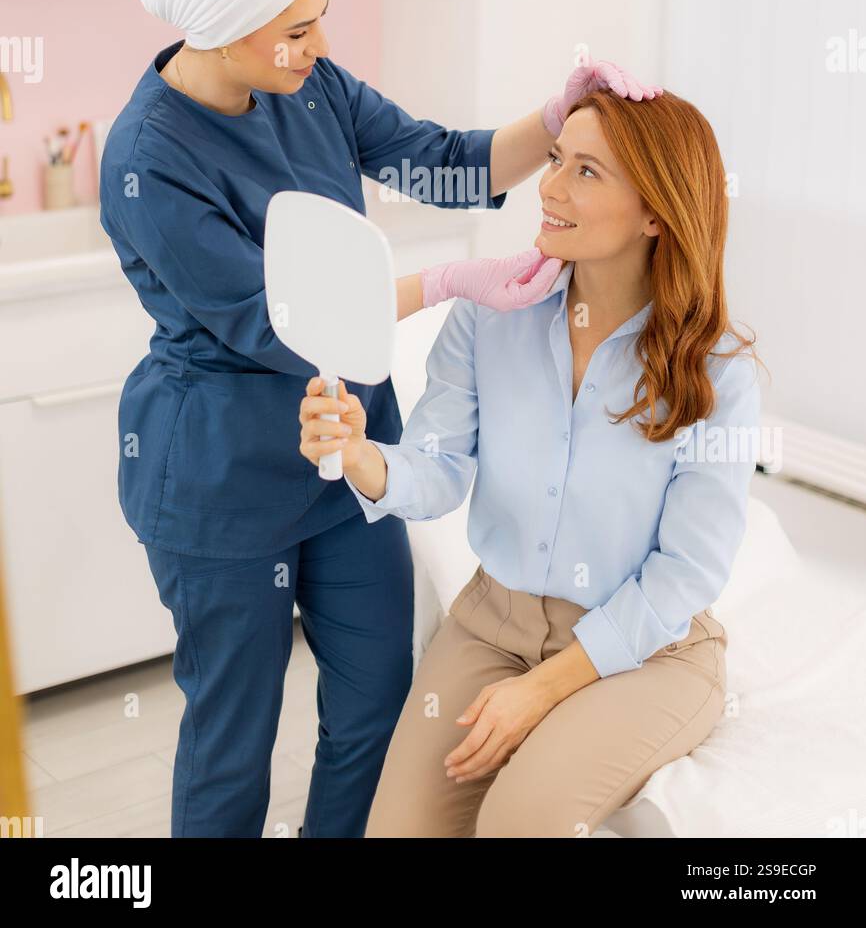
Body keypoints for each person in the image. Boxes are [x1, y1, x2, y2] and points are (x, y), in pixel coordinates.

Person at [99, 0, 661, 838]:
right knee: (234, 731)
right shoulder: (148, 159)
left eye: (321, 14)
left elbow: (442, 164)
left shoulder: (304, 82)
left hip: (349, 463)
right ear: (228, 33)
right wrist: (446, 279)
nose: (320, 40)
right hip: (221, 477)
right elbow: (274, 319)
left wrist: (556, 112)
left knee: (374, 700)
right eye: (297, 28)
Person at [299, 87, 763, 837]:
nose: (546, 187)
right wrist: (358, 455)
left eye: (587, 172)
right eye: (554, 160)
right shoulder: (490, 314)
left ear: (656, 211)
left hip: (647, 650)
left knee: (520, 821)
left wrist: (543, 689)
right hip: (492, 625)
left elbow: (686, 573)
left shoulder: (716, 370)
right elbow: (436, 469)